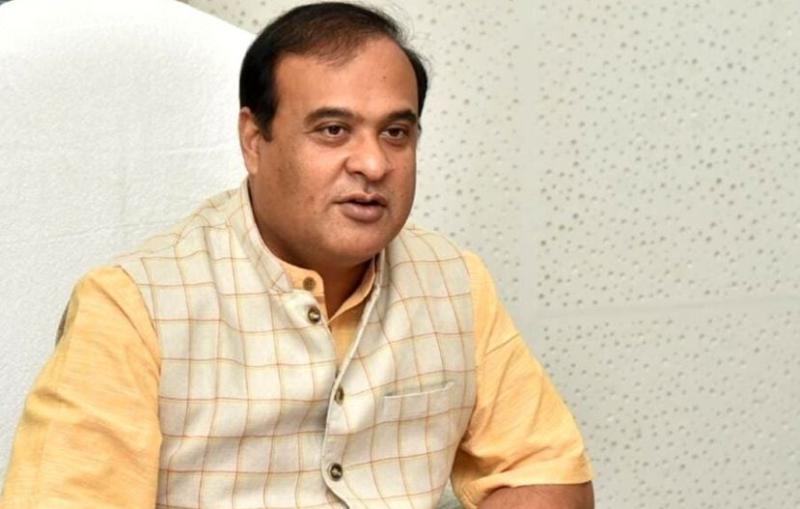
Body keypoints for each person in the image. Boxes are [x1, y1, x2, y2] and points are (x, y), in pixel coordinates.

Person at [0, 3, 593, 508]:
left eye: (396, 132)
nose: (373, 164)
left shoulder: (456, 281)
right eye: (333, 130)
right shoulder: (131, 307)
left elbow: (545, 473)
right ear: (254, 141)